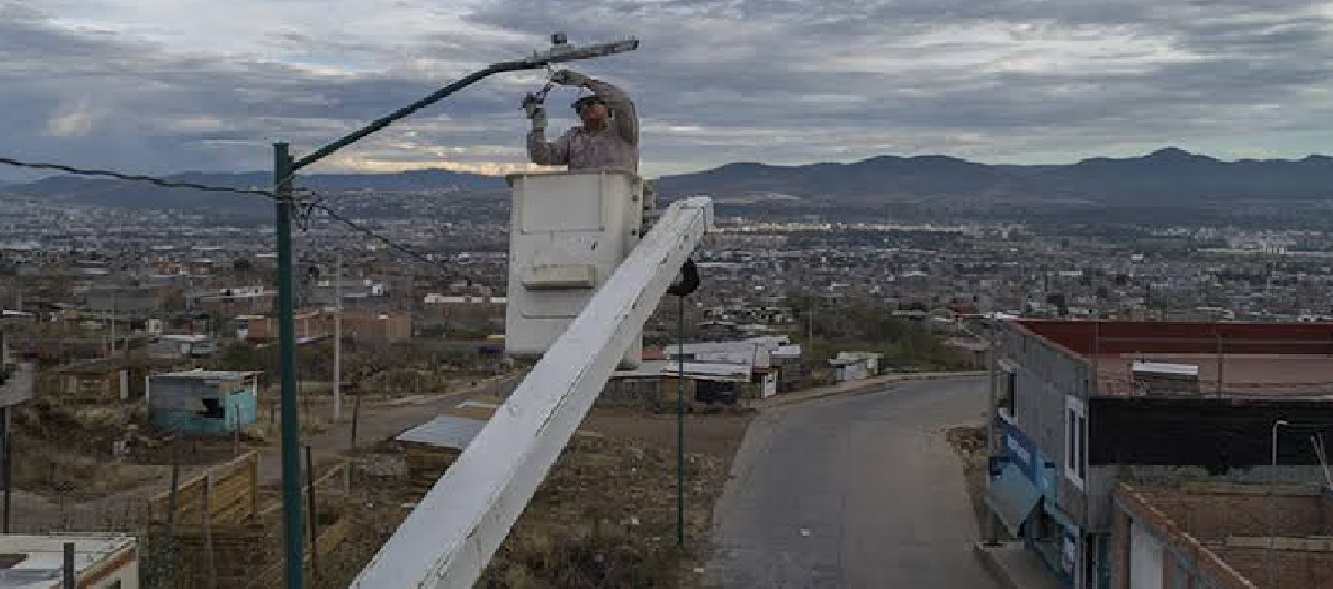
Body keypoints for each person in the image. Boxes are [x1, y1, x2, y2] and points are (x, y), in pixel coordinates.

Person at [528, 69, 639, 173]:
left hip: (618, 192)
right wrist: (538, 127)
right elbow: (543, 157)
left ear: (607, 107)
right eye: (579, 107)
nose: (585, 108)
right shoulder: (573, 136)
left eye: (591, 103)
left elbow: (622, 102)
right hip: (580, 192)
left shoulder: (624, 131)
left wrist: (586, 82)